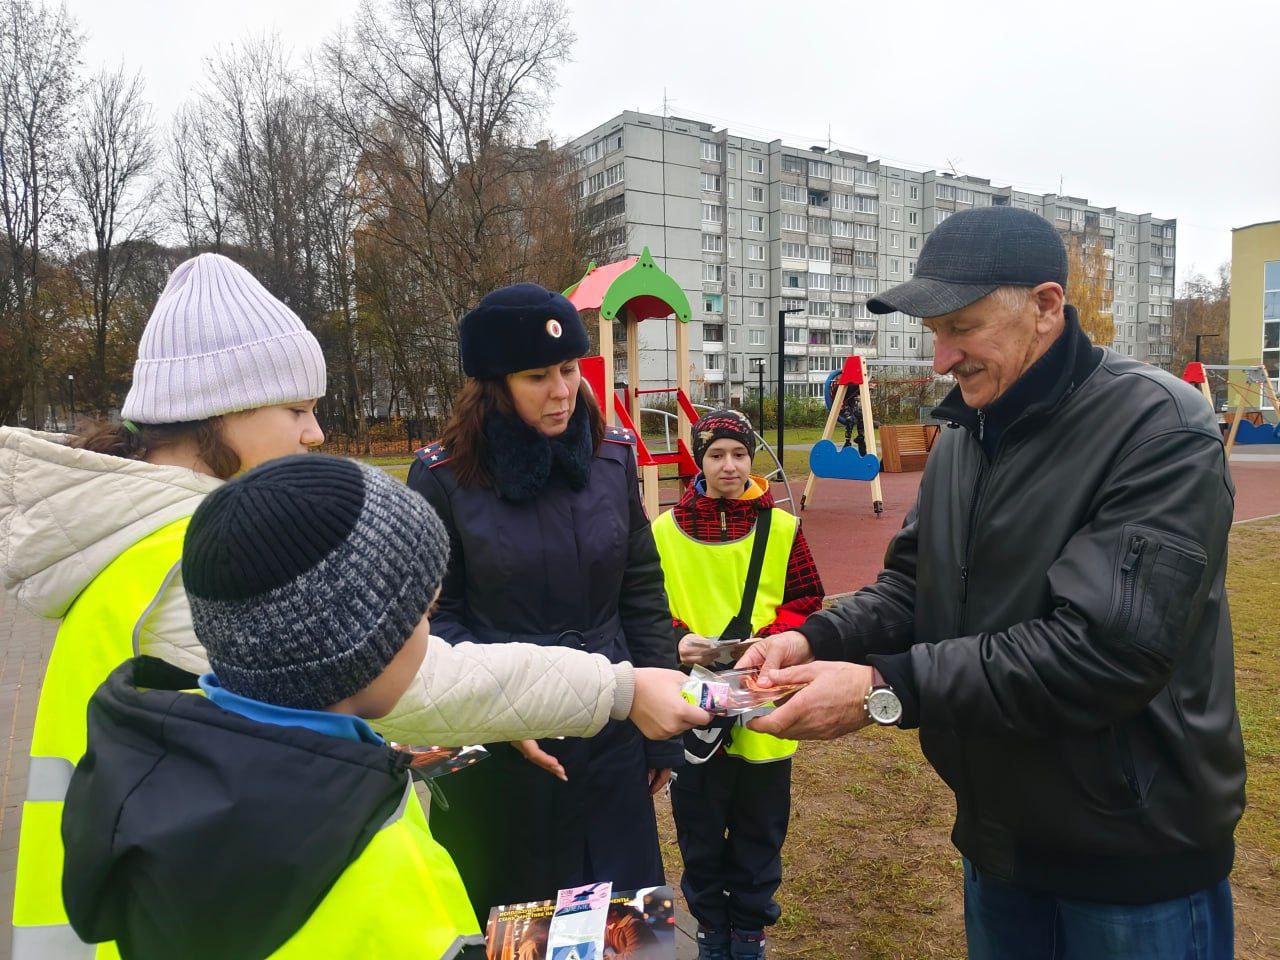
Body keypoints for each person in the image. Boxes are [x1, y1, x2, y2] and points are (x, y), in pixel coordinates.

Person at [0, 255, 702, 958]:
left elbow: (636, 589)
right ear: (223, 412)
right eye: (298, 410)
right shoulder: (197, 562)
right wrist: (616, 685)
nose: (315, 434)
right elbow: (406, 676)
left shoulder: (154, 543)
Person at [741, 206, 1244, 960]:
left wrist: (886, 686)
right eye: (934, 333)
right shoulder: (966, 435)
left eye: (961, 328)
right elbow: (915, 587)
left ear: (1045, 307)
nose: (941, 358)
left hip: (1134, 856)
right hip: (998, 841)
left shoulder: (1159, 427)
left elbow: (1105, 652)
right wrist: (812, 637)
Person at [61, 455, 482, 958]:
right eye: (423, 612)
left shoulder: (161, 779)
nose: (429, 629)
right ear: (358, 649)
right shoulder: (362, 842)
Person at [408, 282, 682, 922]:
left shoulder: (612, 457)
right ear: (492, 383)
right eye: (537, 376)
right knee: (522, 928)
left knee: (626, 930)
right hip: (510, 756)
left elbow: (640, 592)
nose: (562, 390)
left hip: (614, 736)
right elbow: (437, 623)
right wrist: (505, 714)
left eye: (568, 369)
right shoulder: (444, 477)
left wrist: (659, 736)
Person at [653, 409, 824, 960]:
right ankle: (710, 930)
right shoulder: (663, 532)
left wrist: (769, 645)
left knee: (760, 825)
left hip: (764, 699)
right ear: (699, 463)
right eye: (717, 455)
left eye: (740, 454)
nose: (730, 465)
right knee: (699, 828)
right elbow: (647, 611)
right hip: (696, 705)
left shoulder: (782, 528)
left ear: (753, 460)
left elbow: (806, 603)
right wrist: (678, 641)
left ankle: (749, 931)